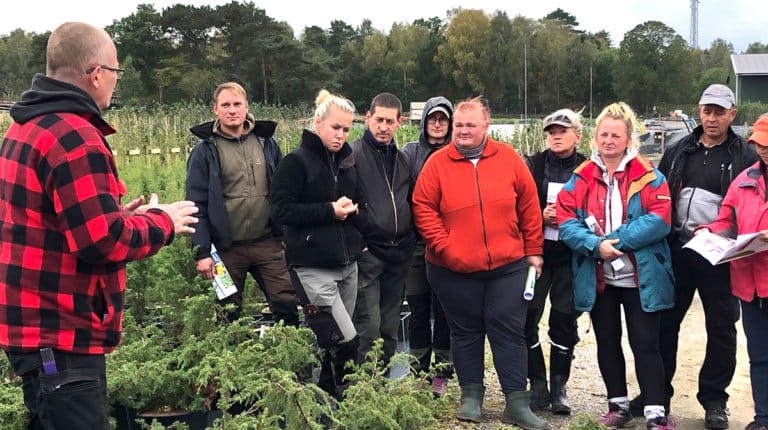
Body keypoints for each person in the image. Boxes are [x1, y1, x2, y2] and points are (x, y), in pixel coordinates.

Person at [0, 22, 199, 429]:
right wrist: (163, 222)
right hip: (61, 332)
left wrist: (120, 216)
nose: (114, 82)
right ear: (95, 74)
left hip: (32, 329)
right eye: (115, 72)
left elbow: (51, 221)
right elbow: (101, 243)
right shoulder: (75, 137)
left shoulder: (26, 126)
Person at [412, 96, 548, 429]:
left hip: (507, 266)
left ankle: (516, 402)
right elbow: (422, 207)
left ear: (485, 125)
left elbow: (529, 206)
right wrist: (444, 246)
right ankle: (471, 396)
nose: (462, 131)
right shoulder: (437, 163)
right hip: (452, 269)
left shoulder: (509, 159)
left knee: (509, 331)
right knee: (465, 331)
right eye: (458, 125)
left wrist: (534, 250)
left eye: (470, 125)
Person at [557, 102, 675, 429]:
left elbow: (659, 220)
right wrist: (595, 246)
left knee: (645, 344)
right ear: (594, 137)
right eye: (603, 134)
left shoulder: (649, 176)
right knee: (607, 341)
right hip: (600, 277)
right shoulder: (581, 177)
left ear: (628, 139)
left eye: (615, 135)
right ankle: (618, 405)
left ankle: (655, 411)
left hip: (640, 277)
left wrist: (615, 243)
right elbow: (566, 219)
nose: (608, 140)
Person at [653, 84, 758, 429]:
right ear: (699, 111)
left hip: (721, 256)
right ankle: (658, 397)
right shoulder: (678, 149)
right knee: (664, 324)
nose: (712, 118)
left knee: (721, 328)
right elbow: (662, 195)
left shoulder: (746, 154)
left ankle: (714, 401)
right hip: (678, 249)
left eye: (719, 112)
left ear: (732, 114)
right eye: (706, 111)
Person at [269, 89, 361, 398]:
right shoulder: (295, 163)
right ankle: (345, 399)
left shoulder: (345, 163)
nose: (340, 135)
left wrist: (351, 211)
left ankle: (327, 404)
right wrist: (329, 211)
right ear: (318, 124)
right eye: (336, 127)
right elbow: (280, 210)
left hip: (347, 263)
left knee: (331, 343)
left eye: (346, 129)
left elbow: (351, 202)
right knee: (345, 340)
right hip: (312, 266)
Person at [186, 82, 299, 326]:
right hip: (226, 249)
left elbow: (283, 192)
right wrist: (202, 252)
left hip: (267, 243)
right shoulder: (205, 151)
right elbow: (196, 204)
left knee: (286, 304)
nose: (232, 110)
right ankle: (231, 362)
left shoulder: (266, 144)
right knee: (227, 313)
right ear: (215, 109)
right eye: (225, 105)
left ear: (247, 107)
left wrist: (289, 235)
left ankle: (293, 361)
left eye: (237, 104)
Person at [697, 114, 768, 430]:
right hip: (750, 285)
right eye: (759, 144)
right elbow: (725, 219)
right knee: (760, 356)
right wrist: (707, 231)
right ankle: (763, 417)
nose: (763, 150)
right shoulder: (745, 180)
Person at [523, 109, 587, 415]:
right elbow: (518, 203)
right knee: (526, 319)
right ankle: (537, 383)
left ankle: (559, 388)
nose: (556, 136)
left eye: (562, 131)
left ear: (578, 134)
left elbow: (600, 209)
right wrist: (539, 213)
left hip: (571, 258)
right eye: (551, 132)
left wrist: (568, 219)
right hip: (537, 256)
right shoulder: (533, 165)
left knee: (564, 321)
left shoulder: (589, 168)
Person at [351, 93, 414, 368]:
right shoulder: (352, 156)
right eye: (378, 120)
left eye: (390, 121)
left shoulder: (402, 161)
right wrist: (360, 245)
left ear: (400, 122)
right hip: (369, 254)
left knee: (390, 326)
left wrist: (409, 240)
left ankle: (383, 390)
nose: (383, 127)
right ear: (368, 118)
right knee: (369, 325)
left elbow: (409, 200)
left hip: (397, 254)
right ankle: (364, 389)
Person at [401, 96, 454, 396]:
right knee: (419, 309)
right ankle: (417, 368)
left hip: (447, 246)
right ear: (424, 122)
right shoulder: (409, 153)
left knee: (444, 310)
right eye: (432, 118)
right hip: (417, 247)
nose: (437, 123)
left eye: (443, 119)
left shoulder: (456, 152)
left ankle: (442, 372)